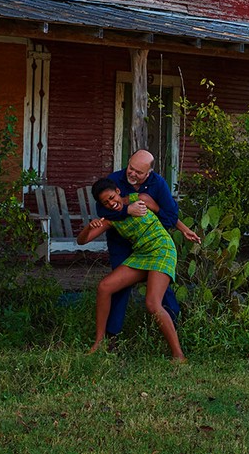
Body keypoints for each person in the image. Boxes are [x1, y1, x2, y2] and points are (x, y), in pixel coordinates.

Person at [76, 178, 195, 360]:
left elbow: (166, 215)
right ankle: (99, 343)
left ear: (117, 190)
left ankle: (179, 355)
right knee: (104, 287)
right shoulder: (110, 219)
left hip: (161, 249)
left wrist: (185, 230)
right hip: (141, 254)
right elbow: (82, 241)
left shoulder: (141, 199)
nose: (111, 203)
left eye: (112, 197)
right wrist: (88, 227)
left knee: (152, 303)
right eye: (105, 202)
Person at [96, 149, 200, 343]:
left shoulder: (158, 184)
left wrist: (153, 207)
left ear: (149, 173)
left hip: (152, 244)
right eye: (130, 168)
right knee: (119, 287)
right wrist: (128, 210)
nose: (132, 174)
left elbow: (169, 217)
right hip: (122, 242)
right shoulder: (115, 180)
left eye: (138, 172)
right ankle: (112, 339)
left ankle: (175, 329)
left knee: (161, 288)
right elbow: (103, 209)